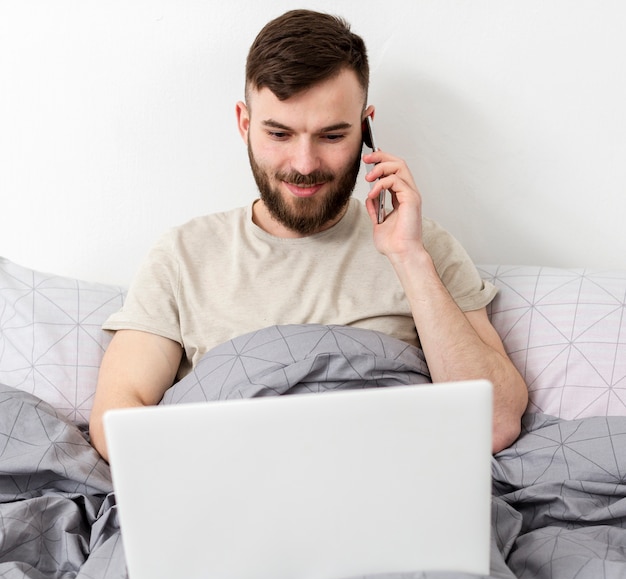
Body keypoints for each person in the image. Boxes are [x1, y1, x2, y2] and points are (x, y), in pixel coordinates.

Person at [89, 9, 528, 461]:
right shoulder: (183, 256)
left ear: (365, 128)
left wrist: (408, 258)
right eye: (279, 133)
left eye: (332, 135)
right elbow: (116, 420)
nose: (303, 163)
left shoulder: (423, 248)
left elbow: (495, 422)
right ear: (244, 124)